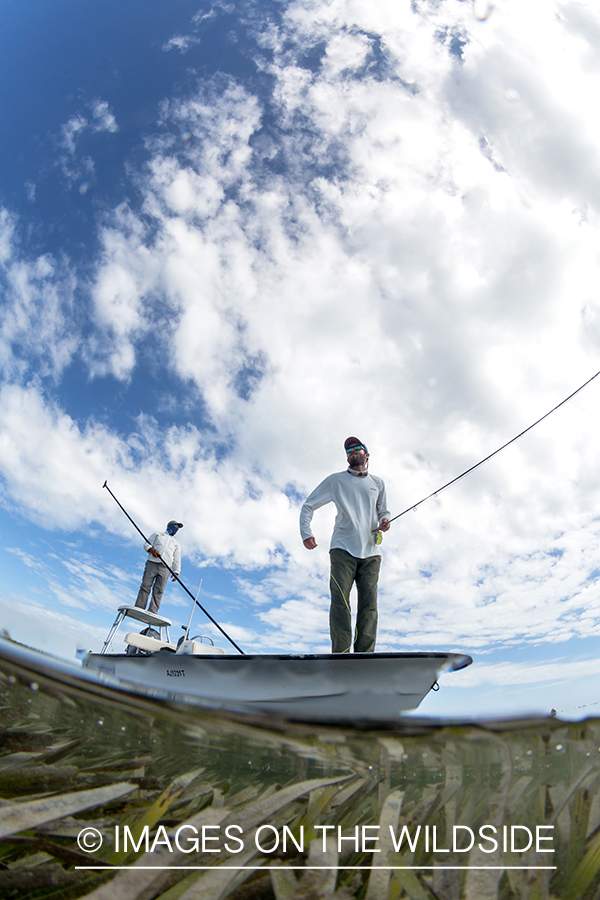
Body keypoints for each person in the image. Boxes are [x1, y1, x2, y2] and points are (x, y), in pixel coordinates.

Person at [300, 437, 390, 653]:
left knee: (369, 606)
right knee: (340, 602)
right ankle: (341, 654)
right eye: (348, 450)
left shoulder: (378, 483)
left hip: (371, 552)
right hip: (342, 549)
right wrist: (306, 533)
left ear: (366, 455)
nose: (351, 451)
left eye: (356, 448)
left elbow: (383, 511)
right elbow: (308, 505)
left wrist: (385, 520)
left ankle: (364, 656)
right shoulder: (335, 480)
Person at [135, 520, 183, 614]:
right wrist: (151, 549)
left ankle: (153, 611)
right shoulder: (158, 534)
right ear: (169, 526)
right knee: (145, 586)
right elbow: (146, 544)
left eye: (178, 528)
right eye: (175, 526)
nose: (176, 529)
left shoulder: (176, 543)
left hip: (165, 568)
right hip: (152, 563)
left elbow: (177, 558)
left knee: (159, 590)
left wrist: (176, 571)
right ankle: (139, 607)